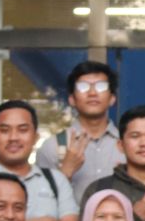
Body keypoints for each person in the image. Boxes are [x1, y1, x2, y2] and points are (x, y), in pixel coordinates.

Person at [37, 60, 122, 201]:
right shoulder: (52, 146)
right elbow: (41, 202)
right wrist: (65, 172)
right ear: (72, 99)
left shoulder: (129, 145)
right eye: (83, 87)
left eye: (101, 86)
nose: (92, 93)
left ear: (112, 98)